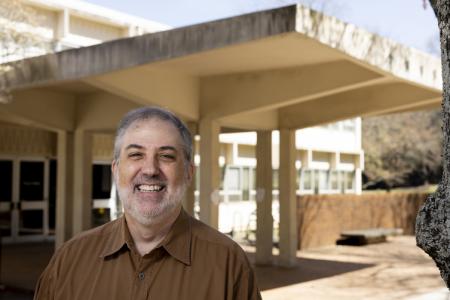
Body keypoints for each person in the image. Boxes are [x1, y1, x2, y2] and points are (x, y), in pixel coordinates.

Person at [34, 106, 262, 300]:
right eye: (135, 155)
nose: (151, 170)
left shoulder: (229, 264)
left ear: (189, 173)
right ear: (116, 170)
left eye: (166, 156)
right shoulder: (70, 260)